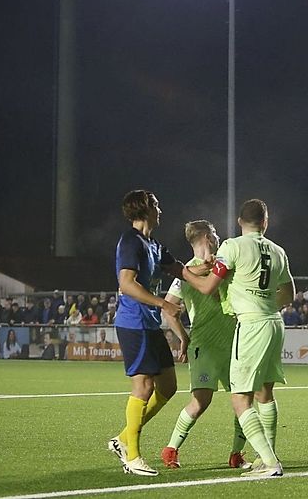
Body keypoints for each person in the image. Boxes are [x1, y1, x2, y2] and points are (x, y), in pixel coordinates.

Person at [186, 199, 294, 478]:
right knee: (265, 393)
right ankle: (265, 455)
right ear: (265, 222)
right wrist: (266, 302)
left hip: (251, 326)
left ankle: (270, 462)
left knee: (240, 400)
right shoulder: (279, 251)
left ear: (239, 222)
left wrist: (183, 272)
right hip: (274, 324)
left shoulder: (231, 246)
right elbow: (289, 294)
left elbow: (209, 287)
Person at [106, 190, 198, 477]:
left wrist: (208, 270)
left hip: (150, 323)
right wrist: (164, 304)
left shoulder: (153, 244)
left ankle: (123, 438)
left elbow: (179, 270)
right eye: (156, 205)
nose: (160, 209)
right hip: (133, 322)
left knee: (168, 387)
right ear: (144, 210)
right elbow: (127, 283)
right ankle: (132, 456)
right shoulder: (130, 241)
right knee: (143, 388)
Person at [160, 220, 251, 470]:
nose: (218, 237)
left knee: (244, 400)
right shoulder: (185, 273)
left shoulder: (223, 264)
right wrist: (184, 338)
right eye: (214, 234)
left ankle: (237, 454)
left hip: (234, 343)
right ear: (207, 237)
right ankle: (171, 449)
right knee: (200, 402)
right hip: (205, 346)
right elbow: (169, 310)